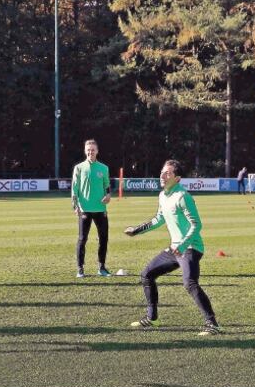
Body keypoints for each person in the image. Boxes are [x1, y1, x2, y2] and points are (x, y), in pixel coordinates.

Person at [124, 159, 220, 335]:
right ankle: (152, 319)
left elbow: (196, 225)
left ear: (177, 178)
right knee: (147, 275)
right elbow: (158, 219)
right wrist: (136, 230)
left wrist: (183, 244)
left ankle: (212, 324)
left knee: (190, 283)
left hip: (191, 247)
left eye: (167, 173)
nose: (162, 175)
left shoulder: (183, 196)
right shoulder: (163, 195)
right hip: (175, 248)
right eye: (162, 171)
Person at [71, 139, 111, 278]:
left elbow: (107, 186)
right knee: (82, 239)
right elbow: (74, 188)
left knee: (104, 238)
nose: (90, 152)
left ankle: (102, 267)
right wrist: (75, 206)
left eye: (93, 150)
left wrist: (108, 195)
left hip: (100, 209)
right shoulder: (79, 167)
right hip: (85, 209)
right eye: (88, 150)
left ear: (97, 151)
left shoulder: (104, 168)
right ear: (85, 151)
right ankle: (80, 268)